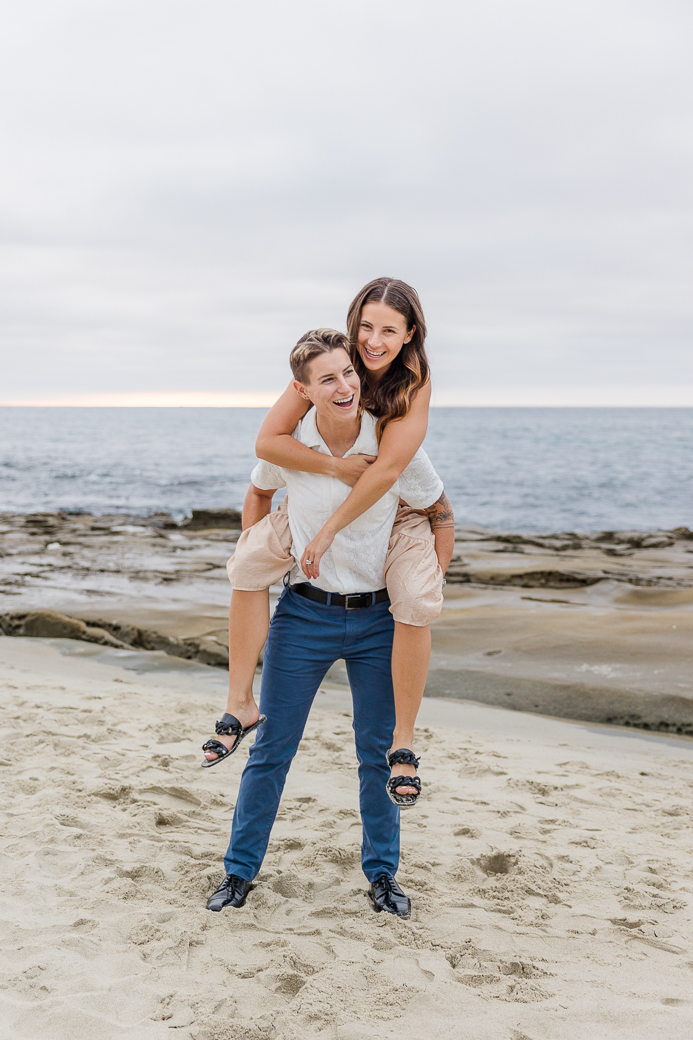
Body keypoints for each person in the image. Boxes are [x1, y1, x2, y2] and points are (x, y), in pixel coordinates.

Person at [205, 329, 448, 916]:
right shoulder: (291, 445)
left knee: (375, 754)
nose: (344, 386)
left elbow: (439, 510)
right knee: (272, 750)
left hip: (377, 622)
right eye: (327, 378)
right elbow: (258, 495)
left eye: (349, 373)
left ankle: (383, 877)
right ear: (302, 390)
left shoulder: (386, 443)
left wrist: (431, 577)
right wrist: (256, 547)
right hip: (304, 615)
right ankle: (239, 873)